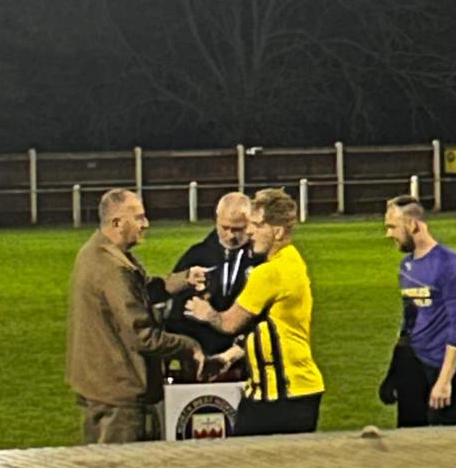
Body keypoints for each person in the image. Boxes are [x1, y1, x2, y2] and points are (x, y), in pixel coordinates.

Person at [66, 188, 206, 444]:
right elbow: (142, 336)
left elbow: (141, 290)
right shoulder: (113, 269)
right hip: (119, 395)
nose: (146, 224)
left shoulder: (95, 252)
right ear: (117, 222)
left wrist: (184, 280)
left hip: (97, 386)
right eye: (139, 218)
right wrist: (189, 346)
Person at [185, 188, 324, 436]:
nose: (249, 232)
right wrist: (228, 357)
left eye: (258, 225)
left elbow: (229, 323)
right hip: (291, 391)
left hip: (281, 396)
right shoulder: (291, 260)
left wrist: (204, 312)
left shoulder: (269, 273)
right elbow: (267, 326)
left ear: (278, 231)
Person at [379, 195, 456, 427]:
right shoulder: (407, 266)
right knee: (408, 442)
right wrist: (395, 371)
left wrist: (444, 380)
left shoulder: (450, 264)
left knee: (443, 450)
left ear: (413, 225)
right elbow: (409, 321)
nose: (388, 234)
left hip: (441, 368)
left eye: (392, 227)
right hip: (413, 366)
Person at [166, 192, 261, 366]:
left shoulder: (260, 258)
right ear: (216, 220)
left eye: (238, 229)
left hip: (247, 359)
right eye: (225, 228)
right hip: (199, 356)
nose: (231, 236)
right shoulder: (197, 255)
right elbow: (175, 311)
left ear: (250, 223)